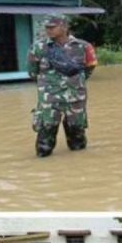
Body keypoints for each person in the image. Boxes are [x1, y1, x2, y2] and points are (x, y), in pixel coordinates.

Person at [28, 15, 97, 157]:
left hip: (75, 95)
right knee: (45, 136)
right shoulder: (39, 47)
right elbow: (32, 72)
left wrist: (76, 81)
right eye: (47, 27)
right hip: (50, 97)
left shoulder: (83, 46)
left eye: (52, 27)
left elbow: (90, 67)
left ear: (64, 27)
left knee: (77, 136)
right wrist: (48, 85)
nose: (48, 30)